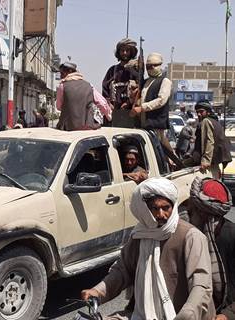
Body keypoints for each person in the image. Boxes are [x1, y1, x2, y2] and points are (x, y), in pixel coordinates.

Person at [81, 178, 215, 320]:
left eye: (166, 208)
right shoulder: (139, 235)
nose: (161, 215)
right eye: (155, 209)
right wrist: (98, 291)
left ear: (173, 206)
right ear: (145, 209)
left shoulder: (191, 236)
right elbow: (122, 270)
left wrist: (188, 314)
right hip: (144, 313)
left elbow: (201, 285)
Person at [188, 177, 235, 319]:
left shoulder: (231, 235)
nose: (189, 211)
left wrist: (228, 314)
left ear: (203, 213)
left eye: (193, 210)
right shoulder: (190, 234)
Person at [129, 53, 174, 155]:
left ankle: (174, 163)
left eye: (154, 65)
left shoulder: (165, 81)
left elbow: (161, 100)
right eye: (149, 66)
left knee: (160, 150)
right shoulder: (145, 82)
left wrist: (142, 108)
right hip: (144, 124)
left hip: (156, 123)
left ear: (159, 65)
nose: (151, 68)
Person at [56, 62, 112, 131]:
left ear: (70, 72)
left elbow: (58, 107)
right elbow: (102, 103)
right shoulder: (89, 86)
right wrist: (109, 116)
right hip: (88, 127)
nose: (61, 76)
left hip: (67, 127)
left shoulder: (62, 86)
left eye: (62, 73)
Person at [186, 101, 231, 179]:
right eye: (197, 112)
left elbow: (209, 141)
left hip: (206, 165)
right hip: (214, 164)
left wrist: (206, 161)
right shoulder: (215, 122)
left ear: (208, 112)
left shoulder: (206, 121)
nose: (199, 114)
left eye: (201, 111)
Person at [102, 38, 140, 128]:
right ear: (118, 52)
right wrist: (108, 104)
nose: (125, 53)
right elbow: (105, 88)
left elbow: (140, 89)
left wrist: (128, 103)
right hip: (113, 112)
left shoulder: (136, 71)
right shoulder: (112, 70)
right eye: (122, 50)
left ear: (132, 52)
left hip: (131, 112)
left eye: (127, 50)